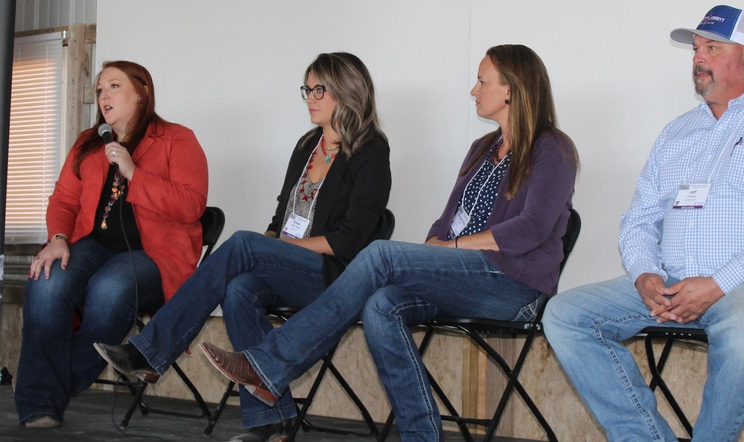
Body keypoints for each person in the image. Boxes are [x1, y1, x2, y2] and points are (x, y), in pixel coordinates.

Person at [197, 44, 578, 442]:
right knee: (381, 305)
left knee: (380, 254)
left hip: (513, 286)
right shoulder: (482, 149)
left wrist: (447, 250)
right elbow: (446, 221)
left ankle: (270, 365)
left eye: (483, 81)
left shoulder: (552, 147)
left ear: (512, 90)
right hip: (463, 276)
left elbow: (532, 228)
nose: (473, 90)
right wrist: (434, 246)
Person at [542, 5, 744, 441]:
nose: (698, 58)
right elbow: (638, 219)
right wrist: (645, 276)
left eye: (712, 48)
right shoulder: (677, 133)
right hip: (673, 284)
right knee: (565, 314)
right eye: (696, 49)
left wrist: (717, 284)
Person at [95, 52, 391, 442]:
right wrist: (272, 245)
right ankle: (271, 424)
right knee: (239, 289)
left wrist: (280, 248)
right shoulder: (307, 145)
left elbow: (350, 241)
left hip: (336, 275)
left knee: (242, 245)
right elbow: (279, 220)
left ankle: (150, 352)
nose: (310, 97)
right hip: (291, 266)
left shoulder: (371, 150)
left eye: (320, 88)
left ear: (347, 90)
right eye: (308, 88)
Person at [15, 61, 209, 428]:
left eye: (114, 86)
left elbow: (191, 205)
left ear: (142, 93)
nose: (104, 96)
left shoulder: (177, 139)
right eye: (100, 89)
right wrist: (58, 239)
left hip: (153, 255)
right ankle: (40, 404)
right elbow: (64, 201)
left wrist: (135, 172)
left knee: (109, 289)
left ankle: (45, 392)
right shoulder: (89, 145)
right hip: (94, 245)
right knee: (45, 281)